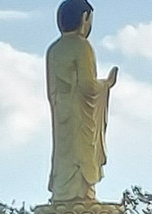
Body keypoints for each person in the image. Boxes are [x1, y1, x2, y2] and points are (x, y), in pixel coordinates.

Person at [46, 0, 118, 203]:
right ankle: (81, 194)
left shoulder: (53, 50)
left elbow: (51, 90)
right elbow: (88, 86)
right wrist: (106, 84)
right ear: (84, 19)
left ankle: (63, 194)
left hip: (62, 112)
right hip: (79, 114)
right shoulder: (82, 46)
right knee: (81, 153)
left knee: (64, 155)